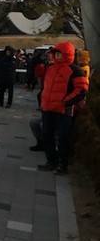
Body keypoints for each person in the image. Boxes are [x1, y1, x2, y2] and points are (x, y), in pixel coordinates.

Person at [37, 42, 88, 175]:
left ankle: (63, 165)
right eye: (55, 53)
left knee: (63, 138)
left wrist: (66, 102)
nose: (56, 55)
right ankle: (51, 162)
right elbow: (40, 79)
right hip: (48, 108)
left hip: (63, 111)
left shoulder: (75, 70)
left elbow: (82, 89)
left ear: (67, 54)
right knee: (47, 136)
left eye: (59, 53)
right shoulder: (50, 68)